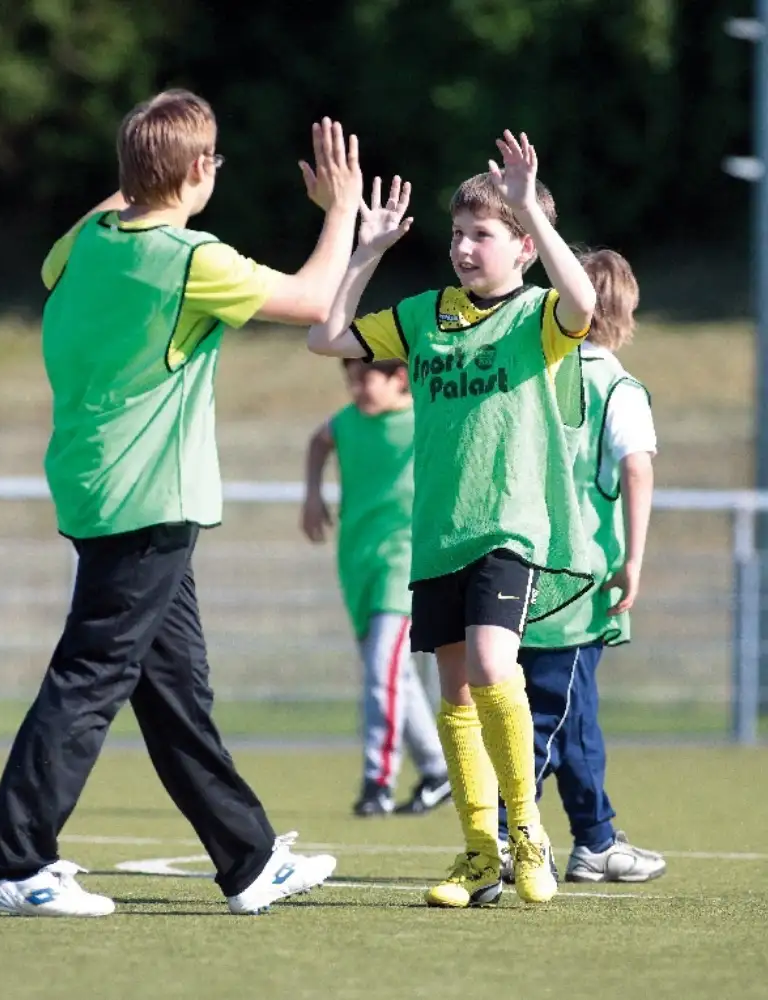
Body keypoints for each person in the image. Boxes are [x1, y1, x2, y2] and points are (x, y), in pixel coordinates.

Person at [0, 89, 367, 917]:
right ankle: (16, 861)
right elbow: (312, 300)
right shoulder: (193, 259)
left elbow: (109, 214)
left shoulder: (86, 242)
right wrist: (341, 209)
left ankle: (248, 862)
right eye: (211, 159)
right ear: (196, 171)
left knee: (176, 689)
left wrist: (143, 165)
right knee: (91, 676)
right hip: (146, 500)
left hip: (105, 490)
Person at [307, 132, 597, 908]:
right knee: (455, 696)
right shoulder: (426, 315)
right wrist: (366, 253)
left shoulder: (537, 314)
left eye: (483, 234)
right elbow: (325, 337)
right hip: (438, 532)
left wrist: (535, 208)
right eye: (458, 233)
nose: (464, 248)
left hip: (509, 527)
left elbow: (585, 304)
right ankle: (477, 854)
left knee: (495, 668)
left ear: (524, 247)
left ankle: (526, 831)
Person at [497, 249, 666, 883]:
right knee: (548, 713)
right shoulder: (615, 386)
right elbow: (636, 468)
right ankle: (505, 835)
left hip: (516, 562)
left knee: (574, 713)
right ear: (625, 312)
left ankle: (595, 838)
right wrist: (635, 560)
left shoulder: (532, 374)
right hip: (577, 574)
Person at [301, 358, 450, 818]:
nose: (356, 389)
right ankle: (438, 770)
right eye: (350, 380)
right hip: (357, 561)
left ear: (398, 378)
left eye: (365, 379)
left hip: (404, 562)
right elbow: (318, 442)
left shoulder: (426, 418)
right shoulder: (347, 422)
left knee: (382, 669)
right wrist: (312, 494)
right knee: (391, 674)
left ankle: (377, 780)